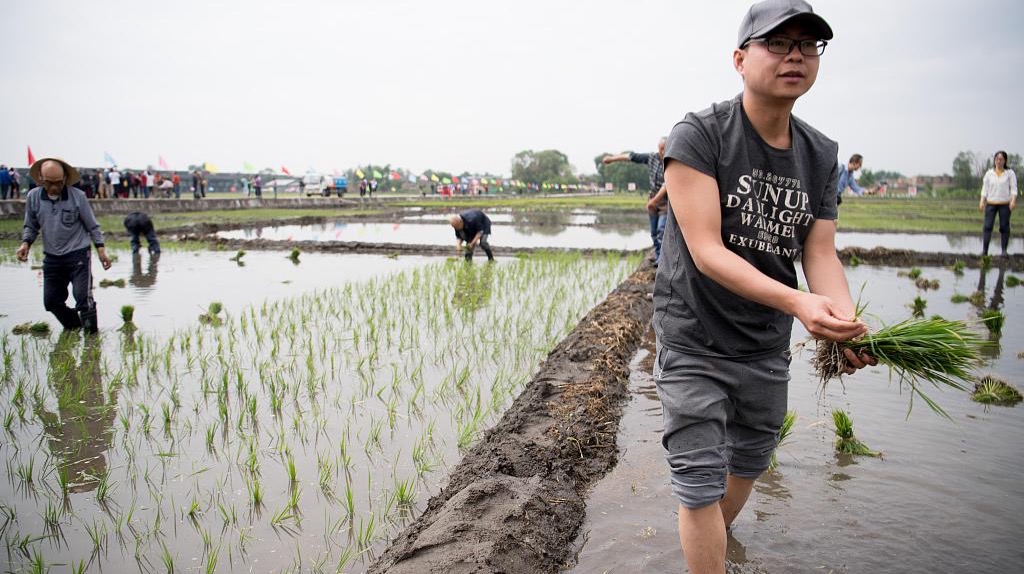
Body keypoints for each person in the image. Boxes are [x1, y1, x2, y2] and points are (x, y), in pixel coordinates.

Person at [653, 2, 875, 572]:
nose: (795, 54)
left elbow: (818, 252)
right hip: (694, 339)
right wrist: (800, 302)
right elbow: (706, 252)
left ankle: (704, 548)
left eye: (807, 44)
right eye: (777, 43)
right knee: (699, 480)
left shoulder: (820, 154)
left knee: (747, 462)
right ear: (740, 58)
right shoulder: (700, 135)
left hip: (763, 345)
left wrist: (842, 323)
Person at [16, 158, 113, 333]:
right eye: (49, 183)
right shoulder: (34, 197)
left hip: (78, 255)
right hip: (52, 257)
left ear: (65, 179)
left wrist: (101, 250)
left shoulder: (78, 197)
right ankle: (75, 328)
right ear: (40, 178)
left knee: (83, 299)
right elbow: (30, 226)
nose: (54, 187)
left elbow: (92, 226)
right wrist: (25, 244)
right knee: (51, 301)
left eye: (58, 183)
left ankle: (91, 342)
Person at [602, 138, 668, 264]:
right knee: (654, 231)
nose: (662, 152)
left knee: (661, 230)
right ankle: (658, 255)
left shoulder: (671, 162)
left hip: (665, 201)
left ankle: (662, 260)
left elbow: (667, 184)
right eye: (661, 149)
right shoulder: (652, 158)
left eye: (665, 149)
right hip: (653, 198)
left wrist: (654, 201)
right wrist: (611, 159)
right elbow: (631, 156)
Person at [979, 150, 1018, 257]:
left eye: (1001, 159)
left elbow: (1014, 189)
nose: (999, 161)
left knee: (1004, 227)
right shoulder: (989, 173)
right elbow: (985, 189)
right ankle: (985, 251)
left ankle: (1004, 251)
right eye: (997, 159)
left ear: (1005, 161)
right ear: (994, 160)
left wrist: (1013, 200)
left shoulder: (1010, 173)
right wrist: (982, 200)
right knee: (987, 226)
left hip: (1005, 204)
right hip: (991, 203)